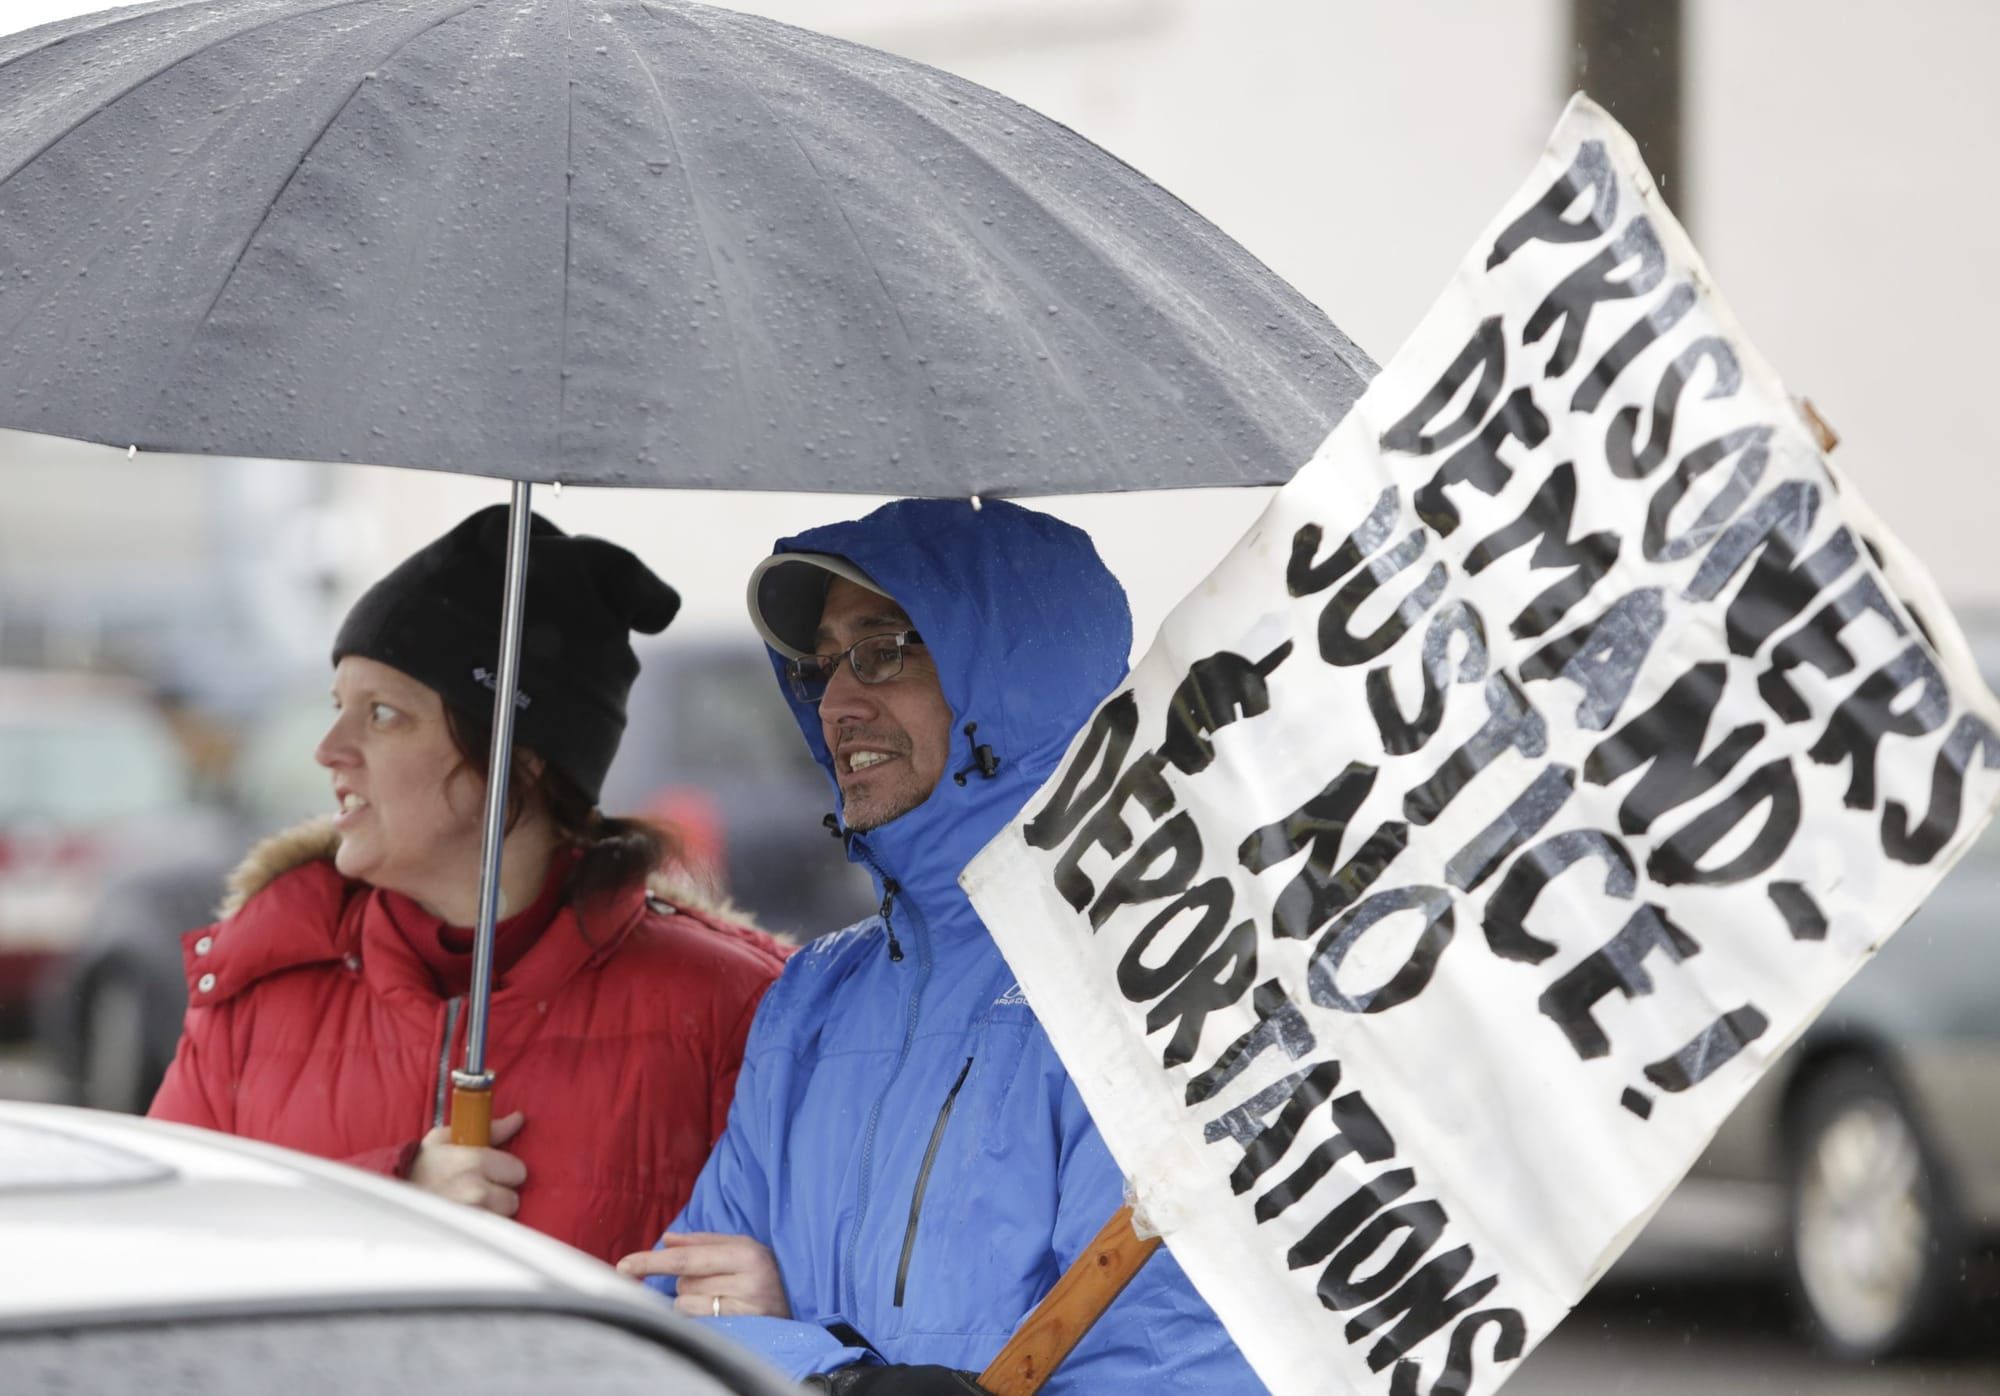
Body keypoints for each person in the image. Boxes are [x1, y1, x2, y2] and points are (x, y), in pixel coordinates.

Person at [617, 498, 1259, 1391]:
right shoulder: (816, 996)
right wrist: (836, 1374)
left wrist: (797, 1351)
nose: (836, 703)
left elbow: (1164, 1372)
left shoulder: (1150, 988)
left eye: (884, 651)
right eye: (822, 665)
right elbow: (671, 1324)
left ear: (1010, 685)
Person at [150, 506, 788, 1265]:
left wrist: (739, 1310)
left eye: (383, 715)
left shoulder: (729, 1011)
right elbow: (156, 1260)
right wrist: (384, 1204)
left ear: (523, 759)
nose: (329, 750)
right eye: (337, 708)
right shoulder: (256, 992)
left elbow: (773, 1311)